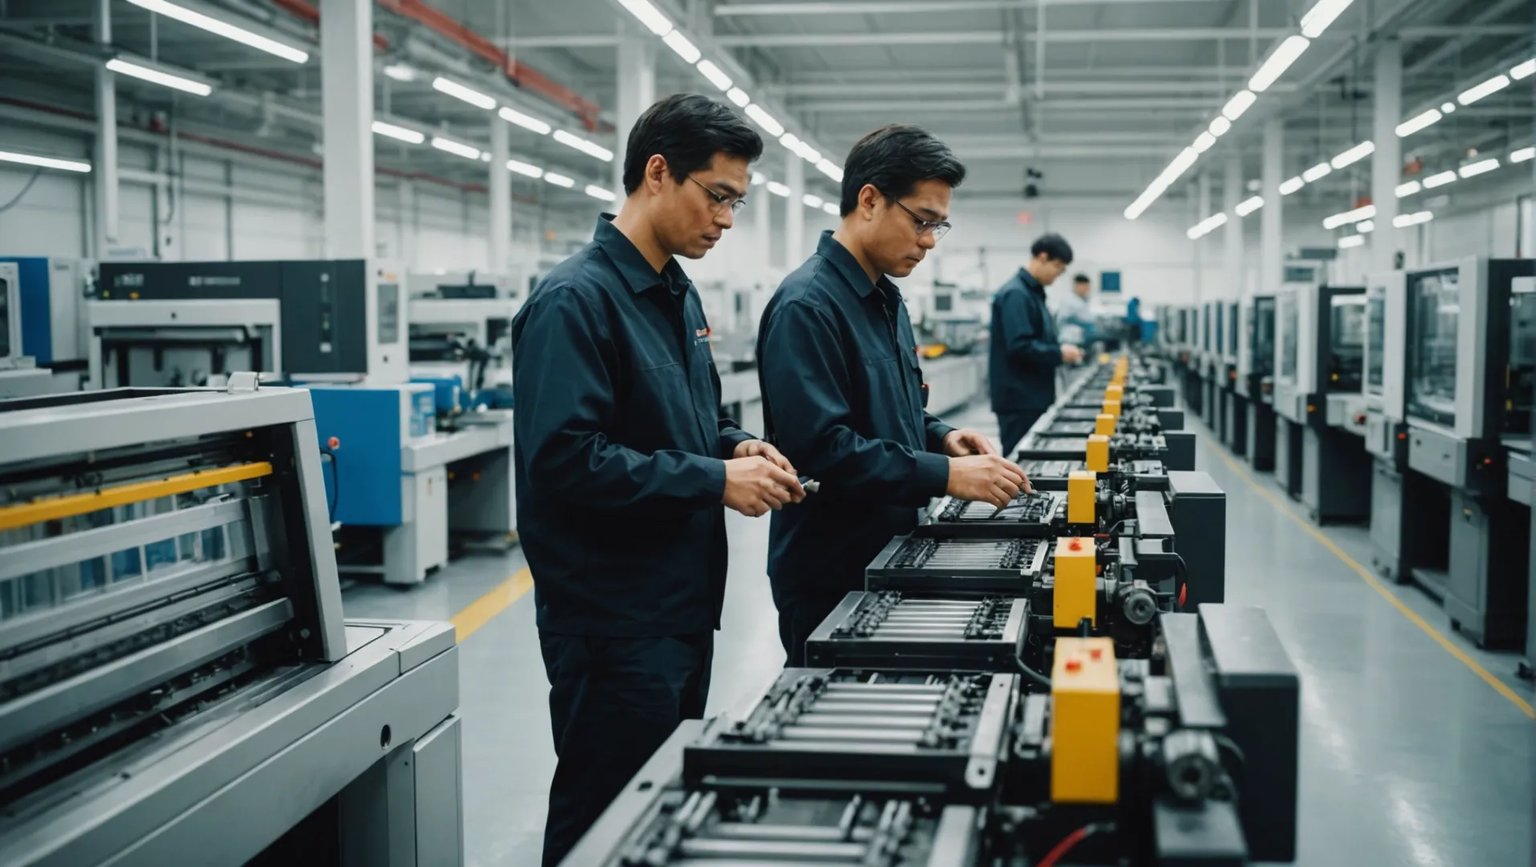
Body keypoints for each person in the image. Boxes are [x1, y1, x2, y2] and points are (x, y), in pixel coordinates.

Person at [511, 93, 806, 867]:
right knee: (601, 815)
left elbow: (694, 418)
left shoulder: (677, 293)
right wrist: (712, 482)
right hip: (611, 619)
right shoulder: (575, 301)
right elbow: (565, 459)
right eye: (717, 196)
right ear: (656, 173)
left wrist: (740, 448)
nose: (727, 219)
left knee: (655, 813)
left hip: (677, 606)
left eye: (737, 202)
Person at [757, 124, 1031, 666]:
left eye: (938, 226)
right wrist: (946, 476)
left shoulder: (886, 300)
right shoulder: (808, 307)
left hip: (890, 549)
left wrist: (943, 436)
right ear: (869, 201)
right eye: (922, 221)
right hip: (832, 572)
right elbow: (821, 450)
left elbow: (889, 411)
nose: (929, 240)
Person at [990, 232, 1084, 453]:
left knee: (1030, 464)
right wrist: (1060, 353)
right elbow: (1020, 346)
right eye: (1058, 268)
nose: (1058, 276)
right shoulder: (1016, 294)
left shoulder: (1032, 293)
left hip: (1030, 395)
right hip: (1019, 399)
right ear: (1043, 257)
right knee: (1021, 464)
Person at [1055, 273, 1095, 347]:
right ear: (1077, 286)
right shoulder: (1069, 300)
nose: (1088, 289)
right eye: (1085, 287)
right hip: (1070, 339)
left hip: (1080, 338)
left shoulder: (1082, 300)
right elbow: (1064, 319)